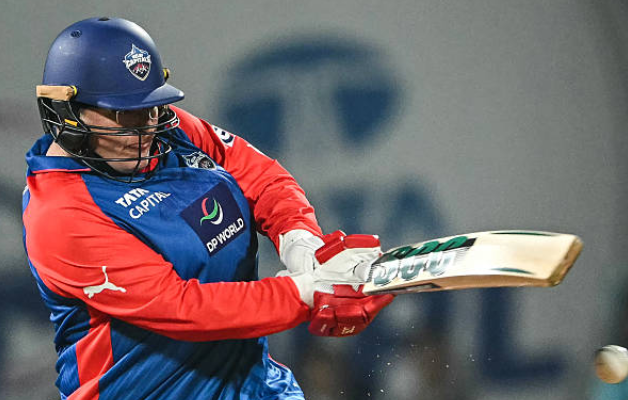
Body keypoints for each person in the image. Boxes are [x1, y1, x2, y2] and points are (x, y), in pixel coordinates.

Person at [22, 17, 393, 400]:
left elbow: (260, 175)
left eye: (151, 106)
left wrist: (299, 239)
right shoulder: (60, 216)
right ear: (67, 113)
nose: (146, 127)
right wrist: (302, 292)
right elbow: (182, 308)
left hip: (256, 387)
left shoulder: (167, 131)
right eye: (123, 114)